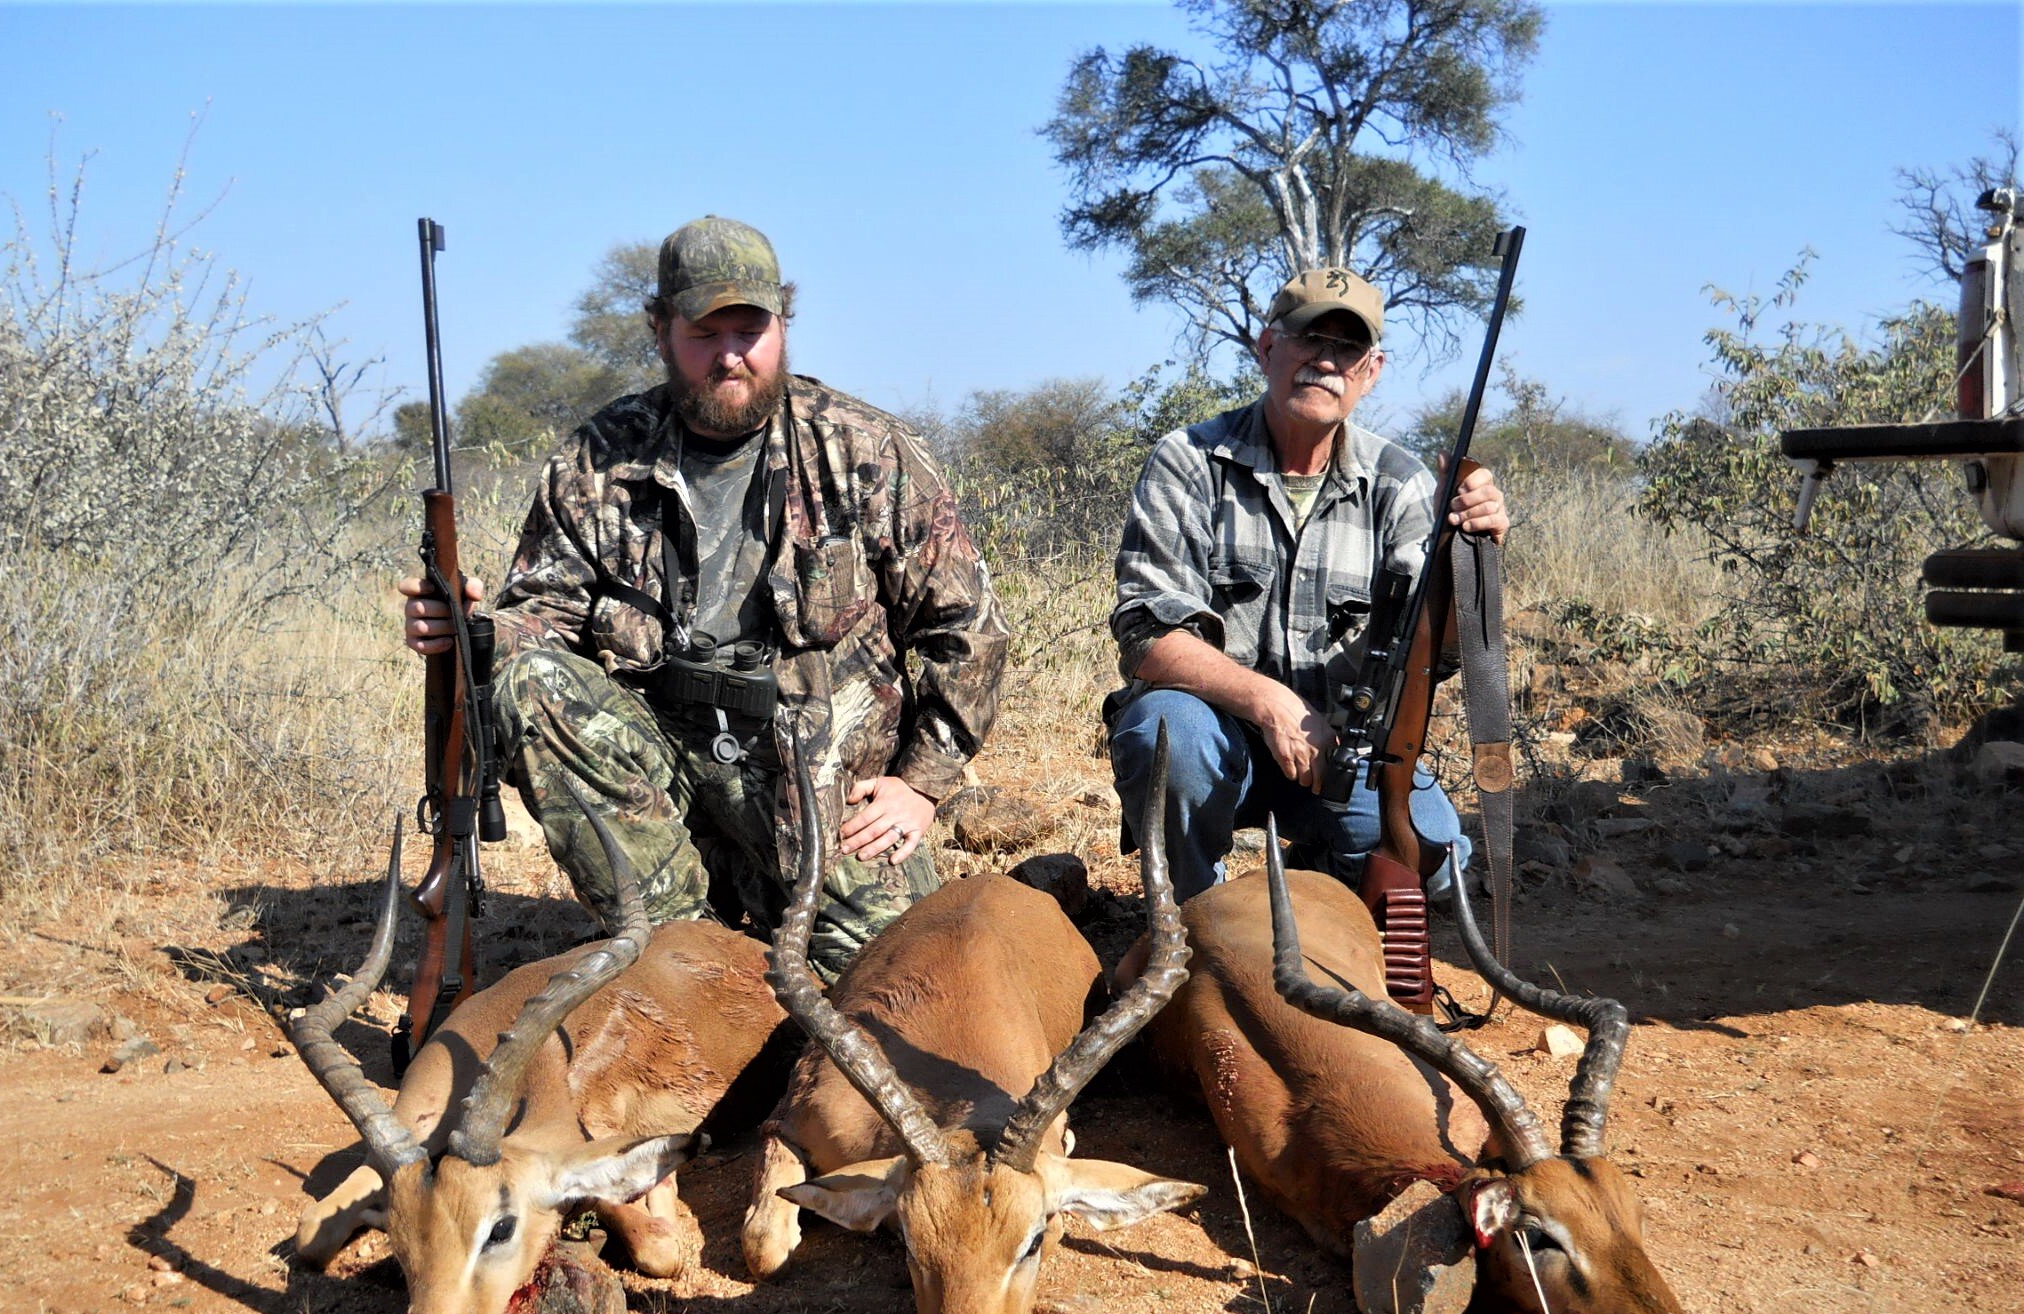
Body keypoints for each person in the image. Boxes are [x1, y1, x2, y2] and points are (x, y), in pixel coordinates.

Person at [403, 216, 1007, 978]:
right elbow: (538, 623)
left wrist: (921, 785)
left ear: (783, 323)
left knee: (888, 981)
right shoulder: (600, 456)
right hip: (665, 770)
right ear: (659, 330)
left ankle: (763, 921)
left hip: (821, 793)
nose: (730, 354)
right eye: (702, 332)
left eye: (750, 329)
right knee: (531, 684)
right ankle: (679, 942)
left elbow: (971, 630)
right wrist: (470, 627)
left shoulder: (868, 450)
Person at [1106, 265, 1509, 902]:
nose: (1325, 362)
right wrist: (1270, 703)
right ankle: (1189, 918)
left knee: (1434, 860)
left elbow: (1438, 654)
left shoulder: (1399, 482)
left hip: (1338, 750)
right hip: (1214, 732)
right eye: (1308, 339)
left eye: (1346, 349)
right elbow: (1148, 634)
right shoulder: (1188, 459)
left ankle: (1302, 894)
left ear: (1370, 372)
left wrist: (1472, 555)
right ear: (1269, 349)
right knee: (1165, 733)